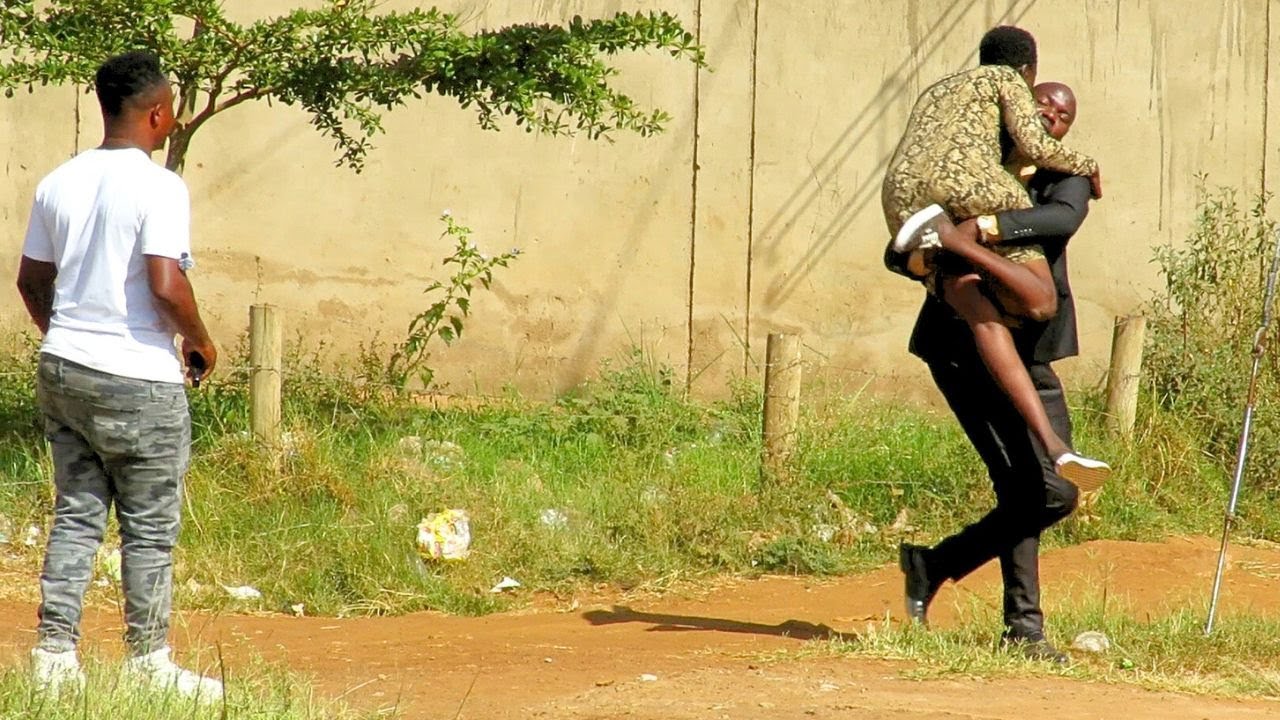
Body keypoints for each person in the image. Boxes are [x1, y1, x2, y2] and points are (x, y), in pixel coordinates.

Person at [15, 51, 222, 700]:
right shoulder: (161, 187)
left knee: (77, 514)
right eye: (172, 108)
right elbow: (166, 281)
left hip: (66, 369)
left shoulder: (58, 182)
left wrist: (71, 337)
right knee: (150, 525)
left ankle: (53, 659)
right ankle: (148, 662)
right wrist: (200, 340)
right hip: (141, 382)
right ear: (158, 113)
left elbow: (31, 281)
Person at [894, 81, 1094, 663]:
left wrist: (980, 230)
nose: (1052, 119)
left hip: (1030, 358)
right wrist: (926, 254)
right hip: (962, 351)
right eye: (1043, 109)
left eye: (1063, 116)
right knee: (1023, 487)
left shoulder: (1064, 178)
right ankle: (1024, 630)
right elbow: (899, 247)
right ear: (1018, 114)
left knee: (1056, 492)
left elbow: (1060, 220)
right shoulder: (971, 167)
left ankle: (934, 564)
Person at [881, 26, 1109, 491]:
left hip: (902, 198)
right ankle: (955, 241)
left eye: (1061, 113)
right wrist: (1087, 164)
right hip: (965, 197)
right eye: (1040, 100)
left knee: (984, 317)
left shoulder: (939, 88)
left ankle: (1055, 447)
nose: (1045, 113)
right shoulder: (1007, 83)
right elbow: (1039, 148)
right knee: (1042, 300)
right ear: (1027, 73)